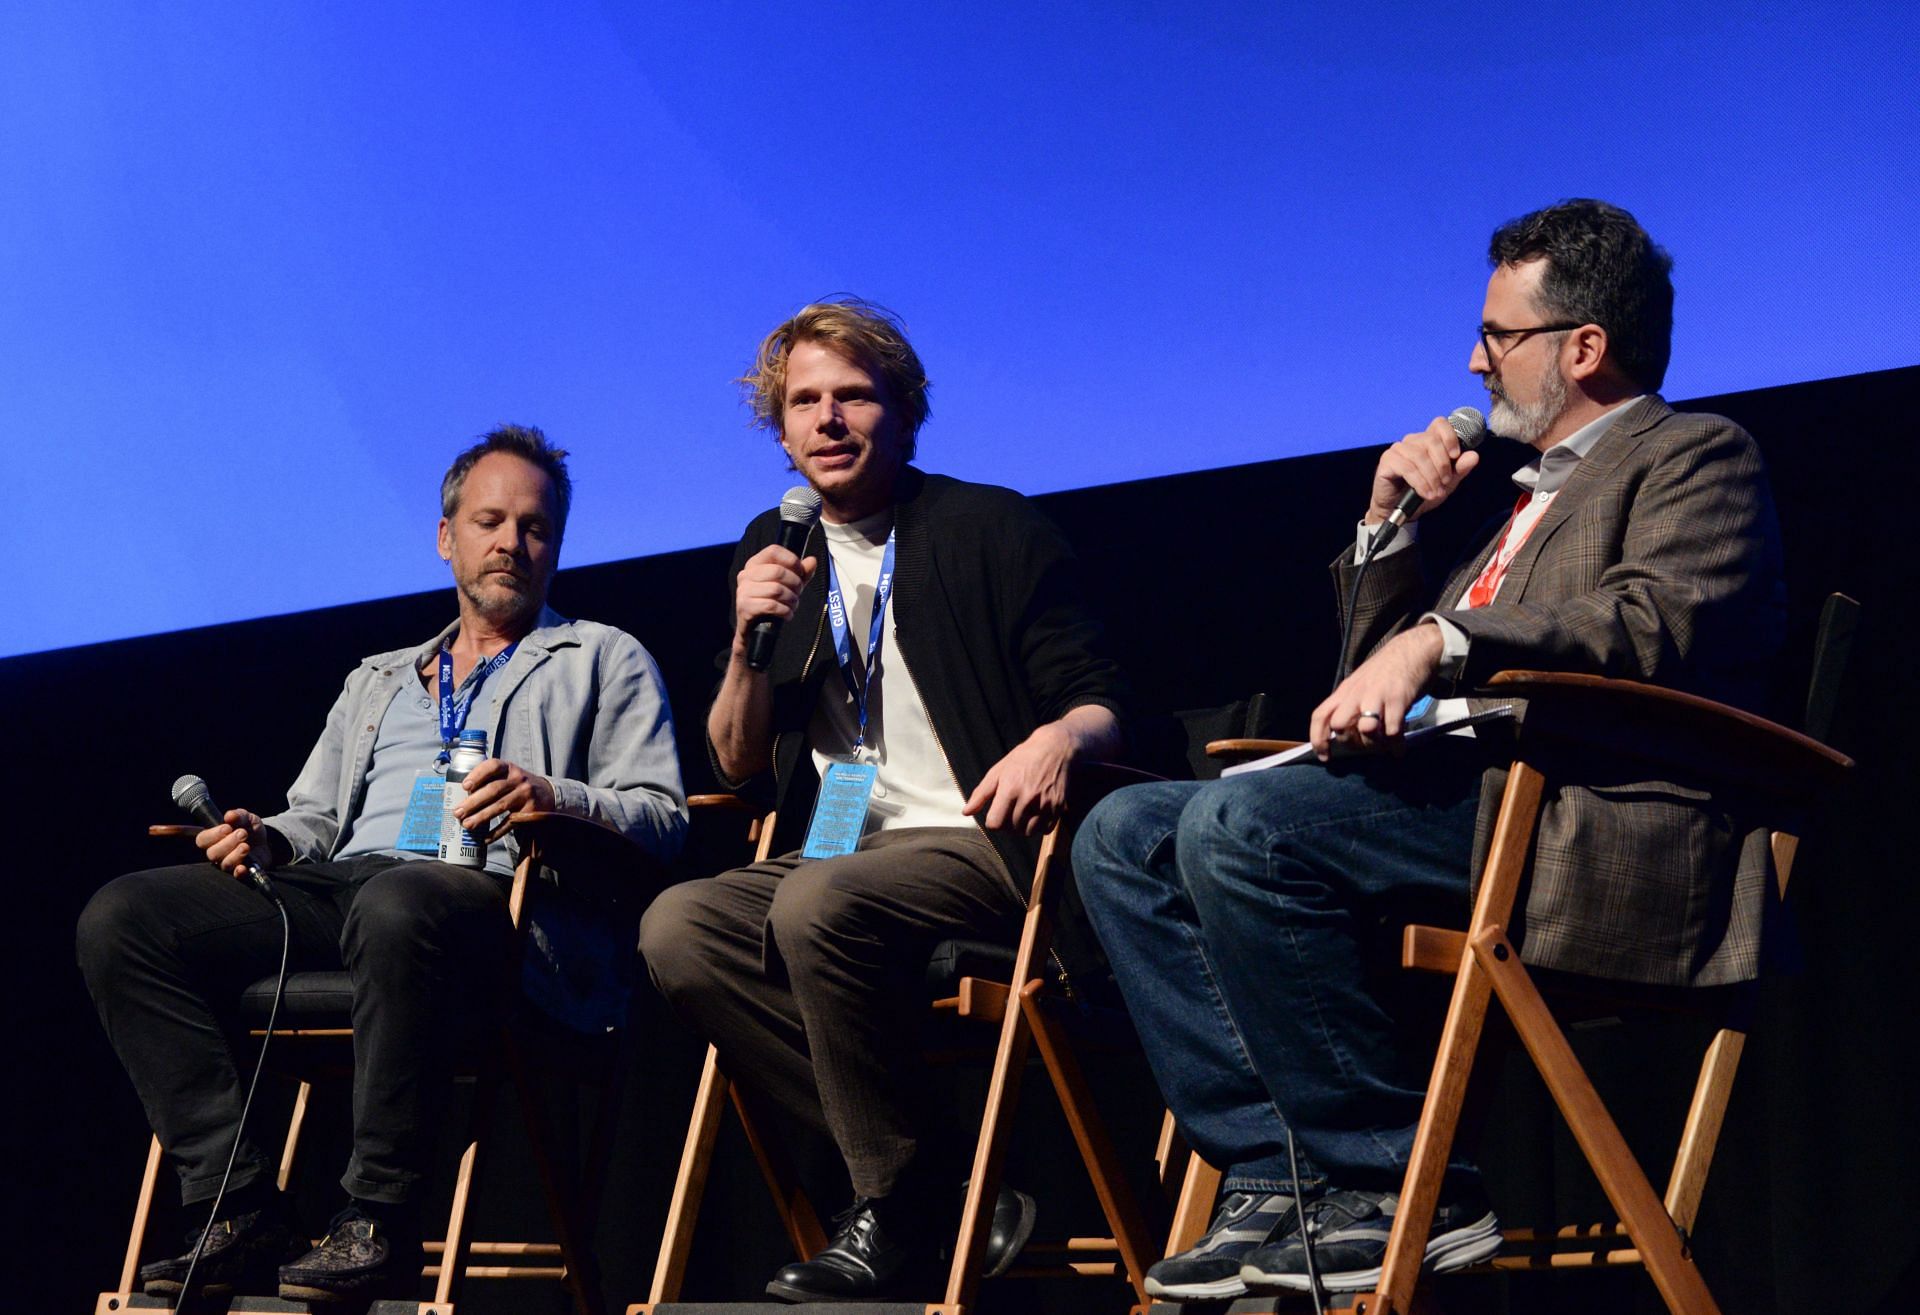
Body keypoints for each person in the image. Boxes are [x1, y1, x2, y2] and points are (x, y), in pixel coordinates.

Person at [1071, 199, 1786, 1299]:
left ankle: (1404, 1179)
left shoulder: (1693, 454)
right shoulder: (1521, 503)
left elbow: (1652, 622)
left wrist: (1442, 633)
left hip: (1577, 818)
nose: (1474, 359)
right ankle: (1278, 1168)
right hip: (1458, 799)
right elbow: (1368, 684)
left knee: (1239, 825)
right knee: (1124, 831)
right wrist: (1389, 528)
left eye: (1498, 335)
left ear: (1583, 348)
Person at [77, 425, 689, 1304]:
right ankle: (238, 1201)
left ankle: (377, 1219)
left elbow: (663, 819)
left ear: (557, 544)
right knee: (125, 919)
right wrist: (268, 835)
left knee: (402, 901)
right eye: (489, 521)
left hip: (500, 908)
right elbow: (318, 816)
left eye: (535, 527)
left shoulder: (600, 656)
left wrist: (552, 796)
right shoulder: (381, 677)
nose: (511, 543)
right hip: (349, 891)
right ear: (448, 537)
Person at [639, 298, 1127, 1302]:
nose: (828, 419)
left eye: (853, 396)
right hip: (845, 852)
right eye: (804, 402)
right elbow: (734, 762)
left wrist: (1056, 738)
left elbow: (1108, 701)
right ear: (779, 430)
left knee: (818, 901)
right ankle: (936, 1186)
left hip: (982, 841)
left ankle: (899, 1205)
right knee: (678, 927)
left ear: (903, 411)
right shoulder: (774, 552)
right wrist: (744, 641)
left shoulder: (989, 525)